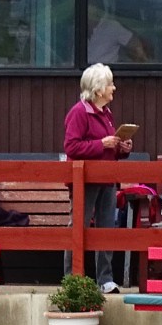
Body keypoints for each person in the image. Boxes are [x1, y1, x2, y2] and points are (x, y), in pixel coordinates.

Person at [63, 63, 133, 294]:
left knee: (106, 228)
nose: (114, 88)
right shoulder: (79, 112)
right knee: (79, 227)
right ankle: (72, 279)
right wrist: (101, 144)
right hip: (85, 180)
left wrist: (121, 148)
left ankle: (105, 279)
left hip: (107, 178)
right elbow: (71, 146)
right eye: (110, 84)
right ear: (98, 89)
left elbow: (107, 149)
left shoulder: (105, 113)